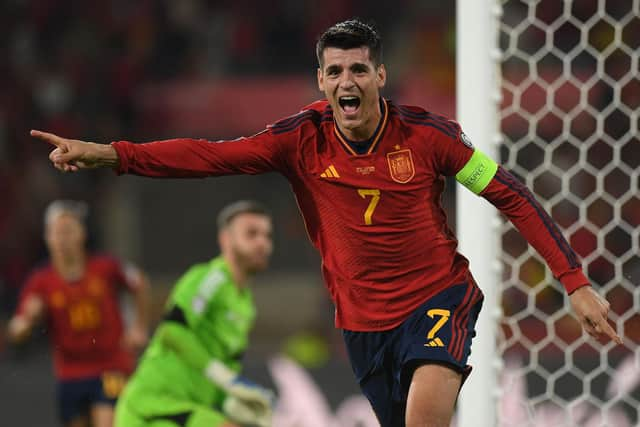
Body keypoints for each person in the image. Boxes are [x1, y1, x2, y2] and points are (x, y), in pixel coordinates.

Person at [30, 19, 622, 427]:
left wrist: (573, 281)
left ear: (381, 77)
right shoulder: (298, 141)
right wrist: (114, 154)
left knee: (425, 414)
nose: (348, 83)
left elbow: (510, 194)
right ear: (321, 81)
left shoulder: (429, 138)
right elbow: (208, 156)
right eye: (335, 72)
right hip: (363, 323)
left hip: (437, 297)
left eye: (359, 70)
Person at [114, 200, 275, 427]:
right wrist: (224, 378)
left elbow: (228, 369)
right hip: (154, 405)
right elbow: (172, 331)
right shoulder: (211, 278)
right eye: (252, 234)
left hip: (191, 409)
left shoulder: (246, 305)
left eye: (267, 236)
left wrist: (235, 400)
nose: (263, 243)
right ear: (225, 239)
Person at [7, 200, 151, 427]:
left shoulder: (105, 267)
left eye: (68, 231)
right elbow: (16, 329)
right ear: (47, 238)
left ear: (81, 234)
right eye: (57, 232)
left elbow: (139, 282)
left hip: (111, 365)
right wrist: (25, 323)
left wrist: (139, 326)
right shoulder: (40, 282)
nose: (63, 239)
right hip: (70, 373)